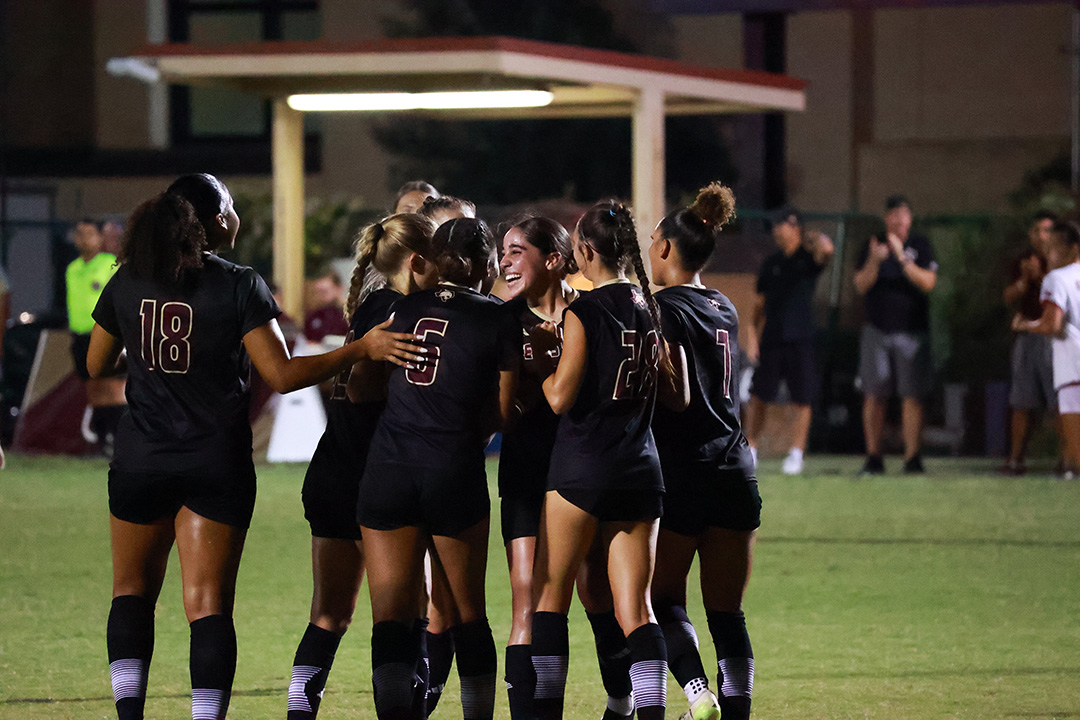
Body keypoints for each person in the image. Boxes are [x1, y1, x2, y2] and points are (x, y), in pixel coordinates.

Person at [86, 173, 425, 720]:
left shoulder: (129, 279)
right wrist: (360, 349)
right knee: (208, 605)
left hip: (140, 458)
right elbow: (283, 375)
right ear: (217, 219)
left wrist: (149, 359)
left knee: (130, 593)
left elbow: (96, 364)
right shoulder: (238, 284)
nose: (237, 214)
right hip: (213, 461)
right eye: (233, 205)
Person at [356, 217, 519, 720]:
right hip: (451, 467)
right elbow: (504, 411)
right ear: (486, 263)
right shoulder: (497, 317)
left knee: (391, 619)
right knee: (469, 614)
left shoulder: (398, 307)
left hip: (389, 468)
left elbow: (362, 388)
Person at [529, 201, 686, 720]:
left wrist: (547, 362)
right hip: (640, 471)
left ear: (585, 250)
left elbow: (559, 398)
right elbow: (676, 395)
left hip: (581, 470)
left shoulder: (584, 311)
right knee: (636, 611)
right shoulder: (652, 306)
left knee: (550, 601)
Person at [286, 213, 439, 720]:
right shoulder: (403, 313)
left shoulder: (375, 302)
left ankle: (297, 712)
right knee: (404, 616)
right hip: (374, 478)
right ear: (419, 261)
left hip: (333, 469)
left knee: (328, 614)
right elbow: (363, 389)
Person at [647, 183, 759, 720]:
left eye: (652, 241)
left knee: (663, 597)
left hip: (684, 468)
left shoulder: (659, 308)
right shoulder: (725, 306)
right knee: (728, 613)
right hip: (736, 467)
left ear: (667, 248)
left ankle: (697, 693)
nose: (649, 250)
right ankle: (737, 710)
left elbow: (673, 391)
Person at [496, 216, 580, 719]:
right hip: (526, 469)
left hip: (582, 472)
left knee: (594, 598)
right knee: (527, 601)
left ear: (552, 259)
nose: (505, 261)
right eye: (502, 251)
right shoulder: (503, 320)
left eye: (516, 250)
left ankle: (620, 702)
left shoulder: (588, 313)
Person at [744, 207, 833, 475]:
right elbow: (759, 305)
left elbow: (826, 252)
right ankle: (751, 449)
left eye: (783, 225)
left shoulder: (808, 260)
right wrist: (751, 335)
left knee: (802, 397)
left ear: (796, 228)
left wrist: (816, 238)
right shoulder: (771, 264)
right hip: (773, 337)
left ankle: (796, 453)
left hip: (801, 336)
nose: (778, 231)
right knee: (759, 395)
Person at [853, 195, 937, 475]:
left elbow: (928, 283)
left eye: (904, 216)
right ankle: (873, 457)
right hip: (877, 330)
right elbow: (861, 285)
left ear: (910, 219)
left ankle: (912, 457)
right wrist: (875, 261)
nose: (899, 221)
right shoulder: (872, 244)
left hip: (912, 333)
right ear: (886, 218)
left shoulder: (920, 246)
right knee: (874, 395)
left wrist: (902, 257)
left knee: (912, 395)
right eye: (894, 216)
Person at [1012, 220, 1080, 478]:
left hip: (1072, 366)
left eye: (1053, 248)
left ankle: (1069, 466)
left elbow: (1051, 324)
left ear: (1072, 249)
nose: (1047, 254)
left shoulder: (1056, 278)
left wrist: (1026, 325)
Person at [1001, 211, 1059, 475]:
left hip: (1055, 338)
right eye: (1036, 231)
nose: (1041, 236)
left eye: (1046, 231)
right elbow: (1008, 295)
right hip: (1027, 337)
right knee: (1021, 401)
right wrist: (1026, 280)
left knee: (1058, 402)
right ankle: (1015, 459)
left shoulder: (1063, 261)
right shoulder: (1023, 260)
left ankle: (1067, 459)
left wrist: (1041, 275)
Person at [67, 217, 125, 451]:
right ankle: (102, 442)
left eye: (89, 233)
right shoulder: (72, 268)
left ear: (100, 238)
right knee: (93, 389)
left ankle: (120, 440)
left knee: (113, 388)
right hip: (80, 337)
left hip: (106, 335)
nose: (83, 239)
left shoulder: (110, 264)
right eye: (79, 233)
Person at [303, 270, 350, 344]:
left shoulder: (349, 317)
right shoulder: (313, 317)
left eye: (325, 291)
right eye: (318, 292)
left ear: (339, 289)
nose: (321, 296)